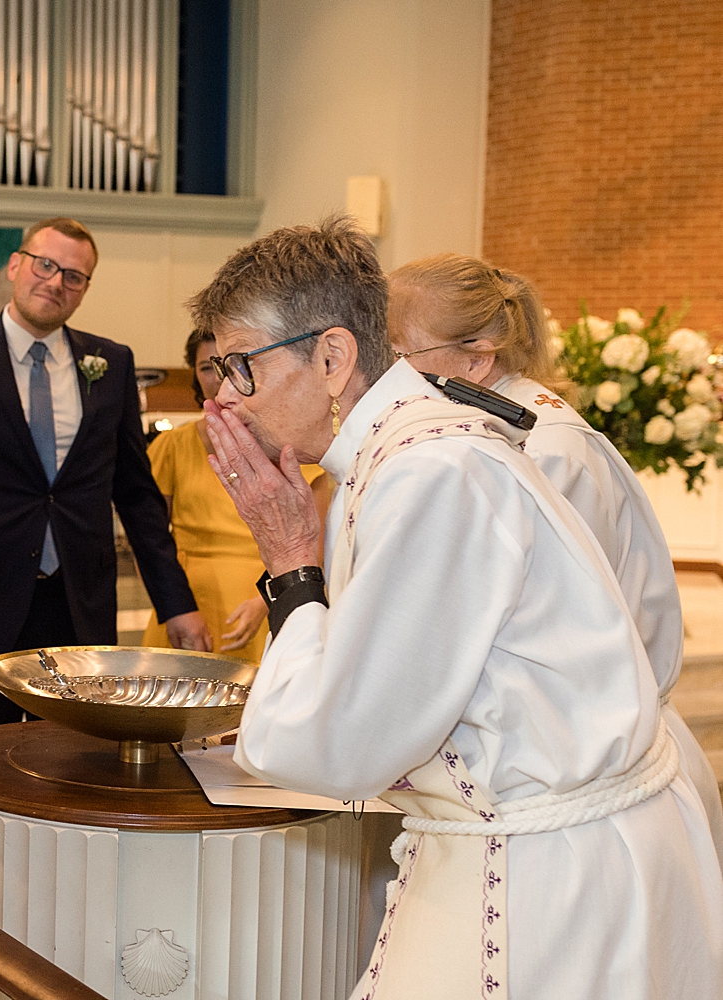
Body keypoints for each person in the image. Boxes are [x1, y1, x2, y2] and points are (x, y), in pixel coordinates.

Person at [193, 216, 723, 998]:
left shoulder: (431, 472)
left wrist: (288, 565)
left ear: (333, 357)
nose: (226, 403)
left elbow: (334, 749)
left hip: (552, 875)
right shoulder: (399, 451)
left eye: (242, 368)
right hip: (524, 840)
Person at [387, 252, 723, 869]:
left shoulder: (543, 450)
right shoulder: (491, 431)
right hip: (568, 759)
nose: (384, 376)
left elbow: (540, 641)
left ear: (476, 357)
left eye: (397, 353)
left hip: (588, 778)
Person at [0, 217, 208, 735]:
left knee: (78, 755)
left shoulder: (111, 363)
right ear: (15, 265)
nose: (56, 282)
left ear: (85, 289)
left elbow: (137, 496)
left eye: (74, 276)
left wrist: (176, 605)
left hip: (79, 600)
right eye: (45, 265)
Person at [140, 328, 334, 660]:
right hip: (190, 605)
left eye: (233, 366)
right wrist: (174, 606)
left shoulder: (296, 450)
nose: (219, 380)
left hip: (269, 598)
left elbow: (313, 551)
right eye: (206, 368)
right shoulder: (173, 446)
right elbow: (150, 539)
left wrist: (265, 602)